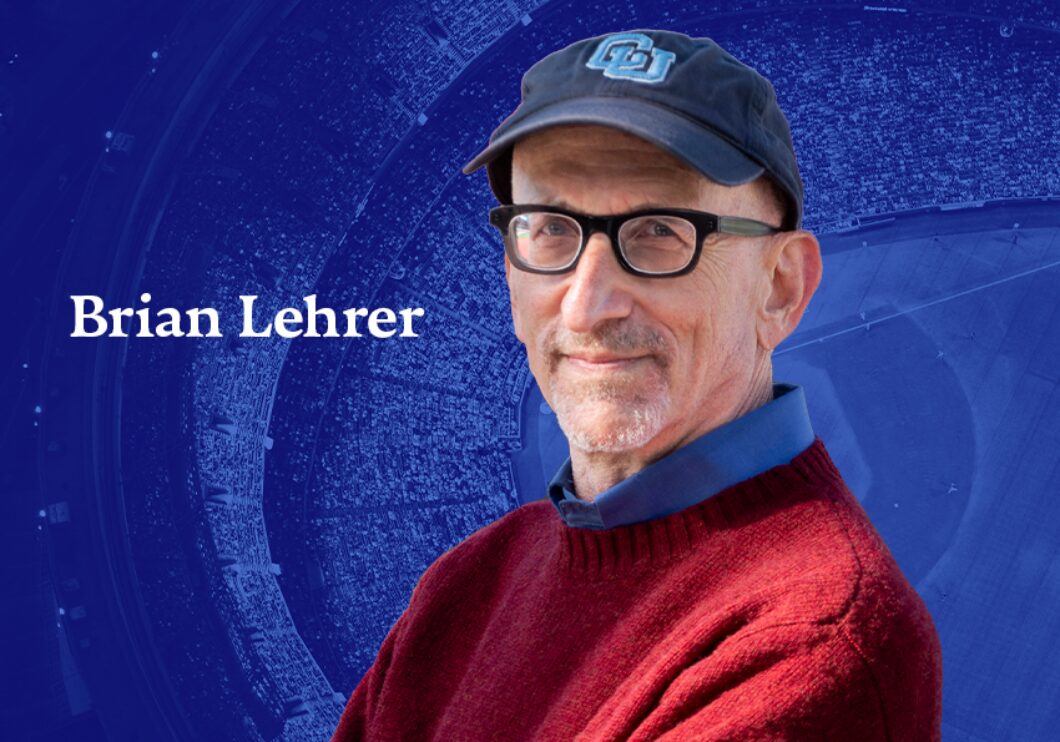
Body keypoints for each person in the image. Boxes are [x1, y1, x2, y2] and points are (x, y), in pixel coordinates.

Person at [332, 29, 942, 741]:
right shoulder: (469, 582)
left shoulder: (812, 638)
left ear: (780, 286)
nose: (587, 306)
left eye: (658, 230)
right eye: (550, 229)